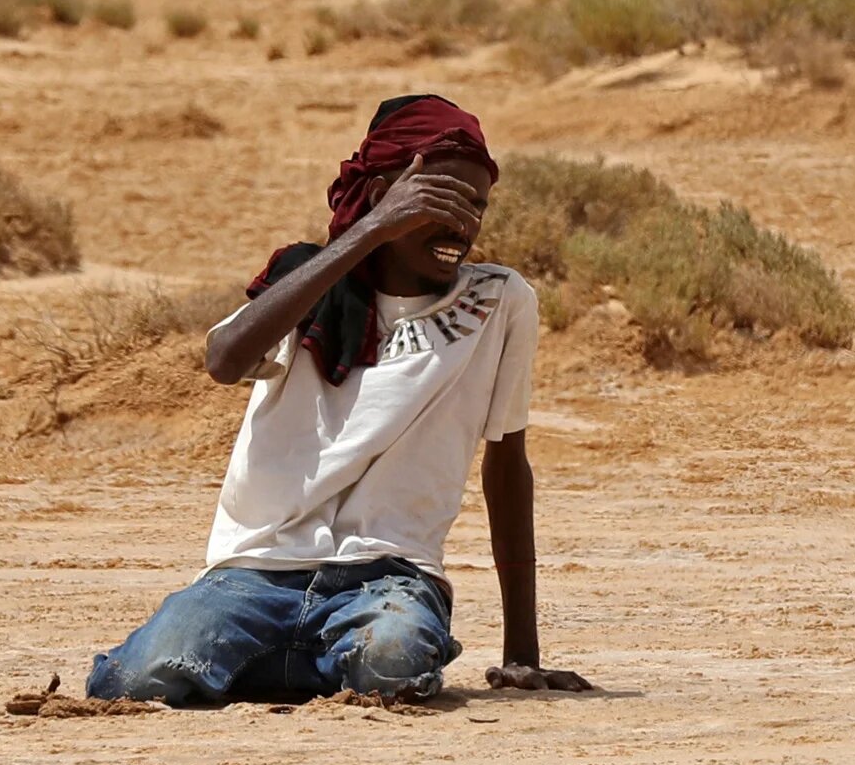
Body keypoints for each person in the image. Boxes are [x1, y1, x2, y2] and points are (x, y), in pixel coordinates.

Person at [86, 94, 591, 706]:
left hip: (391, 577)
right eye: (440, 201)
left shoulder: (499, 302)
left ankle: (280, 663)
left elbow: (507, 465)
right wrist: (371, 233)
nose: (462, 224)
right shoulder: (305, 284)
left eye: (476, 206)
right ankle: (294, 655)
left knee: (391, 663)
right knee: (136, 682)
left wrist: (521, 655)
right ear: (383, 194)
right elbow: (224, 361)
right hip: (254, 572)